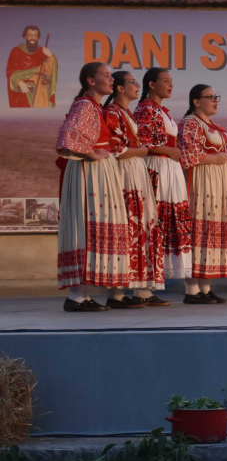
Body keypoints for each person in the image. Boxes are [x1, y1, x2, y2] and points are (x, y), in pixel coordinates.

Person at [55, 62, 130, 310]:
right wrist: (92, 154)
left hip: (98, 172)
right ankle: (76, 297)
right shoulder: (85, 105)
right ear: (90, 80)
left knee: (93, 227)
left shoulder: (93, 106)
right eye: (106, 75)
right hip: (89, 173)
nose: (111, 80)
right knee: (86, 226)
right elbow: (69, 140)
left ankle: (81, 294)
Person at [103, 70, 166, 307]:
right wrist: (142, 151)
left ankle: (141, 288)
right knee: (126, 227)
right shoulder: (111, 112)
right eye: (132, 82)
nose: (136, 86)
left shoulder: (125, 112)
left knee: (140, 226)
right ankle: (116, 293)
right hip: (125, 174)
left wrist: (140, 151)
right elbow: (115, 148)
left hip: (135, 172)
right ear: (120, 88)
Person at [177, 85, 227, 304]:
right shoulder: (189, 124)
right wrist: (215, 159)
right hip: (202, 181)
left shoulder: (212, 126)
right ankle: (191, 290)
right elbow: (187, 154)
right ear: (196, 101)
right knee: (199, 228)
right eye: (210, 97)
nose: (215, 101)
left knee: (212, 230)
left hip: (217, 182)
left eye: (216, 97)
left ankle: (205, 287)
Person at [133, 68, 192, 281]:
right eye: (165, 81)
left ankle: (156, 280)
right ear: (151, 84)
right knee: (155, 218)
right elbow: (144, 141)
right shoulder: (145, 109)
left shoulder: (160, 110)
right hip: (156, 167)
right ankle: (147, 283)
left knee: (168, 219)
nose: (170, 85)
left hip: (169, 168)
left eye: (171, 81)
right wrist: (171, 151)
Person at [7, 24, 57, 108]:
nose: (33, 38)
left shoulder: (43, 51)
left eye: (35, 35)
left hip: (40, 91)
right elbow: (10, 71)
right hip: (23, 91)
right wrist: (19, 82)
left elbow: (49, 70)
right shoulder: (16, 51)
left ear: (38, 37)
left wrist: (51, 56)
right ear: (25, 37)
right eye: (30, 35)